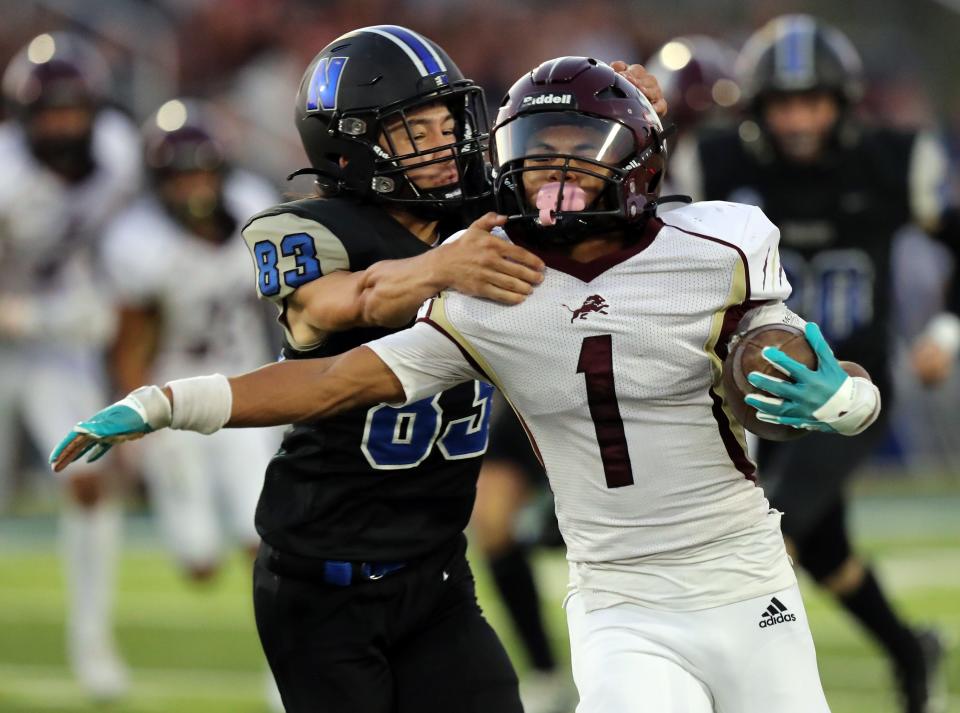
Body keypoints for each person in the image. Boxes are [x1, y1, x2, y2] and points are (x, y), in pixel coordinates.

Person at [52, 56, 886, 713]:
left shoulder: (718, 248)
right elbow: (333, 374)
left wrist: (842, 400)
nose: (557, 184)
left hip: (741, 577)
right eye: (538, 162)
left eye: (585, 161)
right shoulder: (486, 287)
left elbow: (817, 367)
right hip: (615, 600)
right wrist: (167, 401)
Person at [668, 15, 958, 713]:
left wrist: (945, 332)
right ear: (758, 109)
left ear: (843, 102)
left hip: (845, 384)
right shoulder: (716, 163)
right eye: (784, 102)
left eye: (813, 101)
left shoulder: (891, 161)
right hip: (749, 383)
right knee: (824, 545)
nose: (799, 118)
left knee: (775, 524)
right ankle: (908, 647)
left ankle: (721, 682)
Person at [100, 99, 284, 709]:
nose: (195, 186)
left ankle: (283, 670)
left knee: (268, 538)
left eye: (203, 171)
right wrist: (135, 427)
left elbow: (285, 305)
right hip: (173, 401)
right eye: (181, 175)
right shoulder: (140, 241)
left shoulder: (255, 211)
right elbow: (132, 339)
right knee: (200, 563)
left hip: (239, 389)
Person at [0, 31, 141, 699]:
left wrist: (108, 291)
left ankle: (93, 644)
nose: (65, 124)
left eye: (74, 109)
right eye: (51, 112)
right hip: (21, 330)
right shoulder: (5, 176)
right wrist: (44, 316)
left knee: (90, 475)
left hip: (61, 339)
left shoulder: (116, 154)